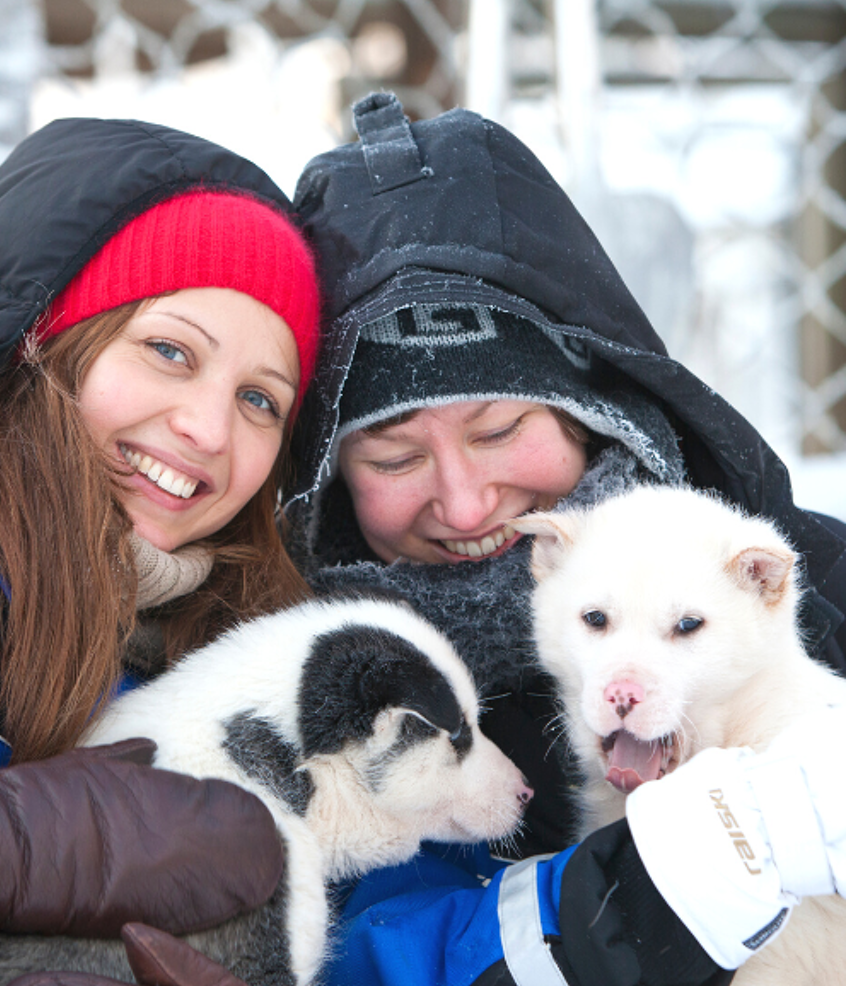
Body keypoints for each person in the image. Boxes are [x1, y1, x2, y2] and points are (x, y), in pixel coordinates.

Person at [285, 93, 846, 986]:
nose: (467, 508)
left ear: (597, 409)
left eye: (501, 429)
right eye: (392, 454)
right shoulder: (300, 691)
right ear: (328, 478)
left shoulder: (817, 587)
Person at [0, 118, 327, 985]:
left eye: (260, 400)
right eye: (169, 351)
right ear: (37, 336)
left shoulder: (236, 655)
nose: (208, 429)